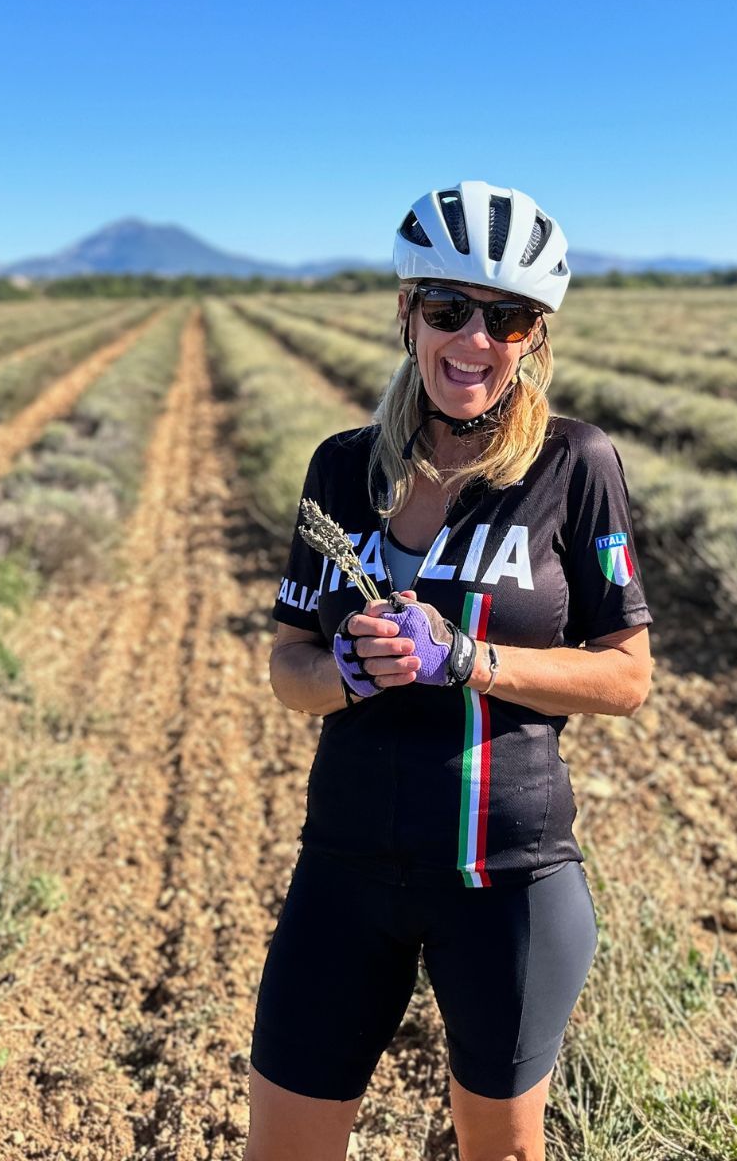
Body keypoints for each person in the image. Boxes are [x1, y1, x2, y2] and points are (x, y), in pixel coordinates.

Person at [245, 180, 653, 1161]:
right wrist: (344, 666)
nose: (475, 339)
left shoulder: (574, 465)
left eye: (506, 318)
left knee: (502, 1154)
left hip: (504, 875)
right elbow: (288, 669)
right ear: (406, 313)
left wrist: (472, 660)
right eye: (448, 309)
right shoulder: (342, 470)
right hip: (344, 866)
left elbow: (627, 676)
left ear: (534, 337)